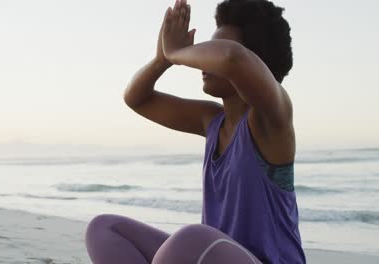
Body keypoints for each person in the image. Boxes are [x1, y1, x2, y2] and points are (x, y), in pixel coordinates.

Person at [85, 0, 306, 263]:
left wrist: (177, 51)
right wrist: (162, 60)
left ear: (258, 63)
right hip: (210, 254)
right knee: (105, 229)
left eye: (209, 49)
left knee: (192, 239)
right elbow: (137, 99)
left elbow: (231, 58)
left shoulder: (272, 118)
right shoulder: (210, 121)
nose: (202, 57)